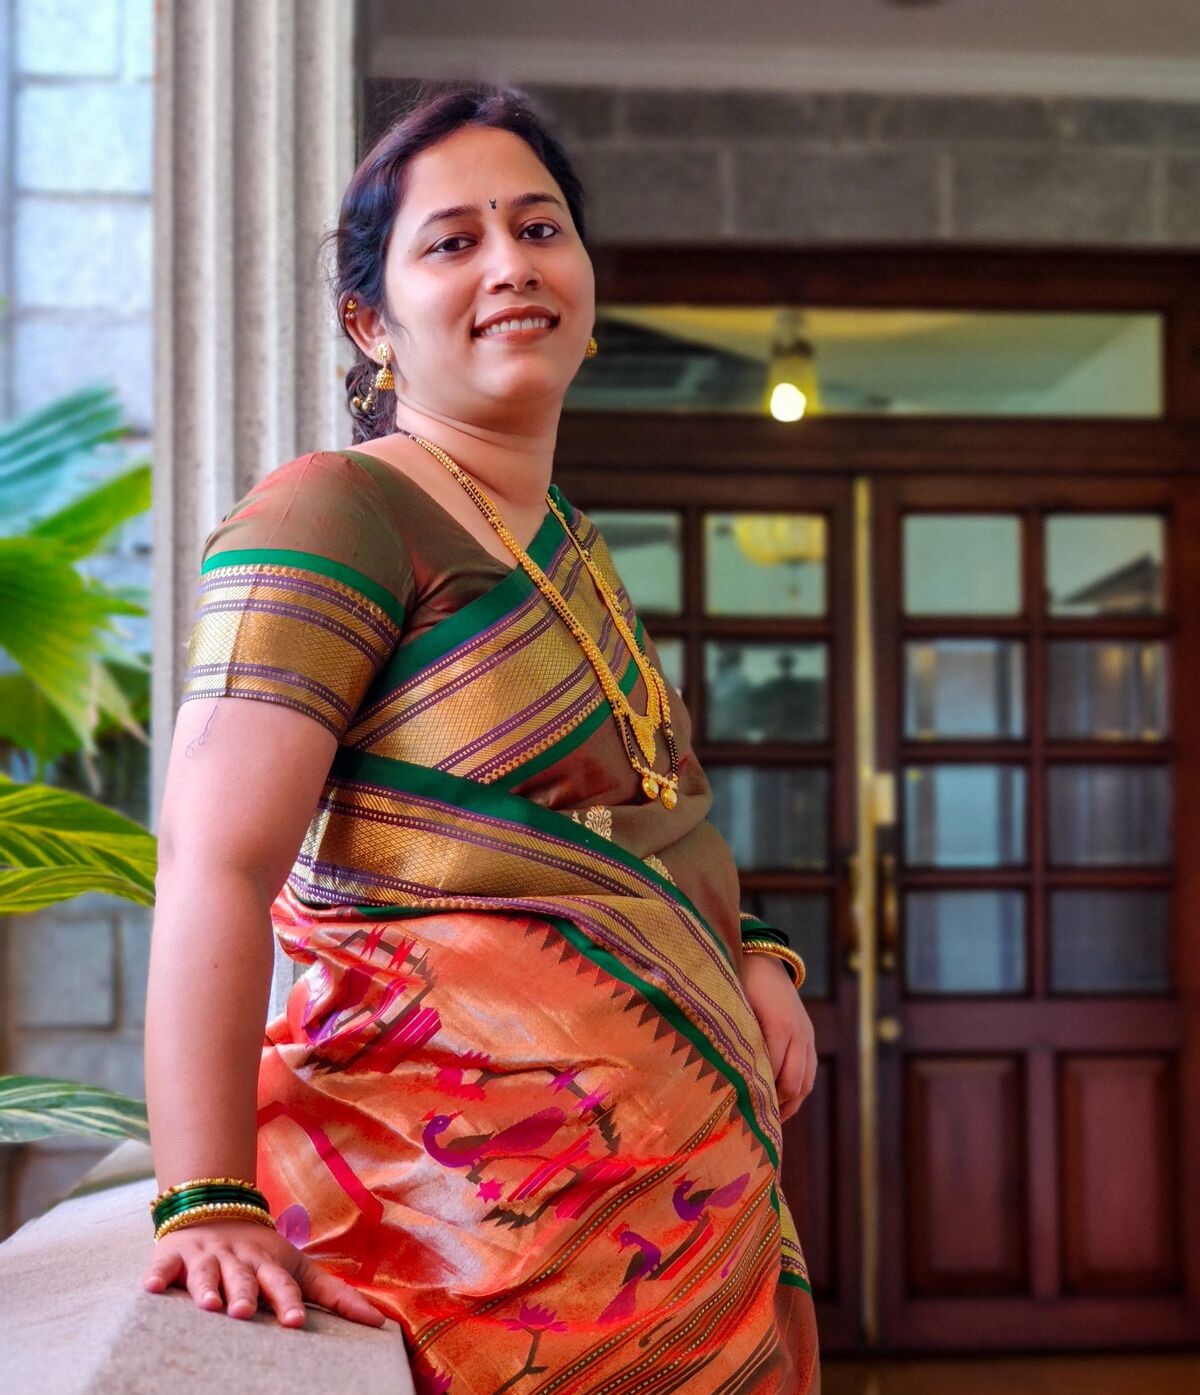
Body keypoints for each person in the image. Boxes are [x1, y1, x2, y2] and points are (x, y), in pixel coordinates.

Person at [141, 81, 821, 1394]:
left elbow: (647, 816)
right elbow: (212, 862)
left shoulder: (564, 541)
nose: (510, 264)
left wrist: (756, 956)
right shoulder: (335, 512)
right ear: (369, 318)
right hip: (459, 1240)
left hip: (684, 1223)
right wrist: (207, 1197)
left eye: (539, 226)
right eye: (453, 242)